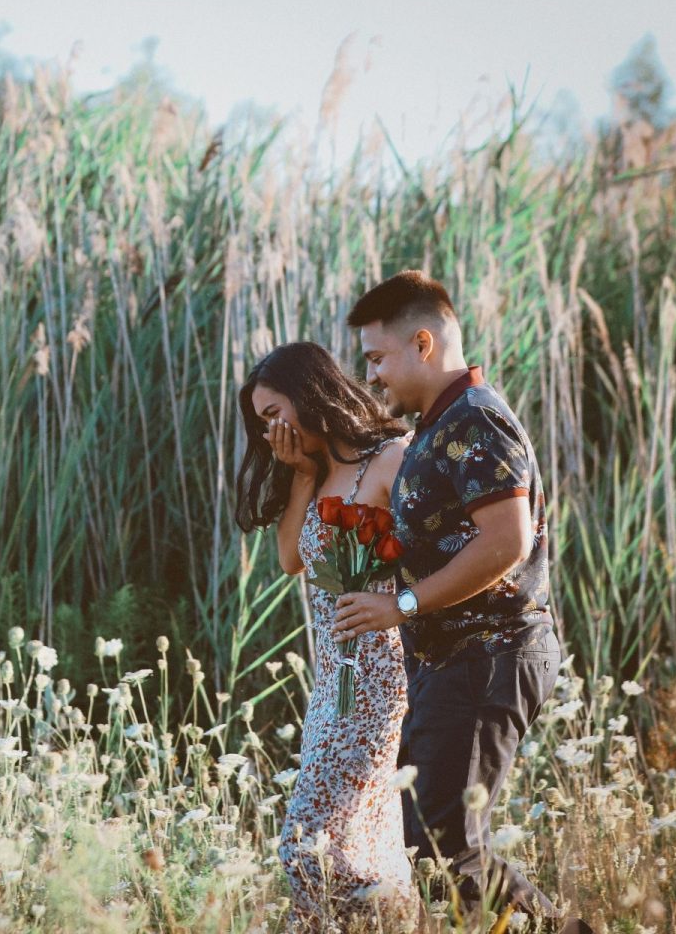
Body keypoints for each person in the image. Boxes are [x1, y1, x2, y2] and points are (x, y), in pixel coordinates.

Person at [331, 270, 593, 933]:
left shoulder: (475, 419)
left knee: (444, 849)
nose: (375, 376)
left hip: (489, 654)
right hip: (453, 663)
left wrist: (405, 607)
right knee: (428, 842)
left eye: (378, 358)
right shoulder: (437, 426)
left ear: (423, 342)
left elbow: (507, 539)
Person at [235, 341, 415, 930]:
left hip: (381, 681)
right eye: (262, 423)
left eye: (273, 414)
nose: (270, 431)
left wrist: (398, 602)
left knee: (308, 846)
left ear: (309, 395)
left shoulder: (392, 457)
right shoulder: (314, 475)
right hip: (332, 686)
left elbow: (437, 558)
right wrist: (304, 476)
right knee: (354, 843)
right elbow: (292, 557)